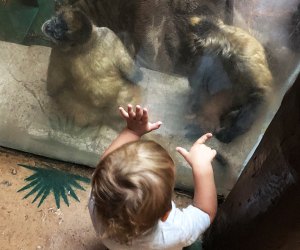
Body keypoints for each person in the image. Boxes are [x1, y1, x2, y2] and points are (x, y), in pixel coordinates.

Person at [89, 104, 217, 250]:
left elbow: (103, 166)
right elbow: (205, 212)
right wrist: (202, 167)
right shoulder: (174, 232)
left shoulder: (97, 199)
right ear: (165, 215)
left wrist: (131, 131)